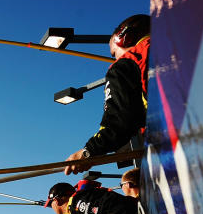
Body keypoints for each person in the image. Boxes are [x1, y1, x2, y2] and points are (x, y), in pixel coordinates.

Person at [64, 14, 150, 175]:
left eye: (113, 53)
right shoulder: (184, 43)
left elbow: (119, 122)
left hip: (177, 140)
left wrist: (88, 152)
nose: (114, 58)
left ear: (123, 39)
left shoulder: (126, 63)